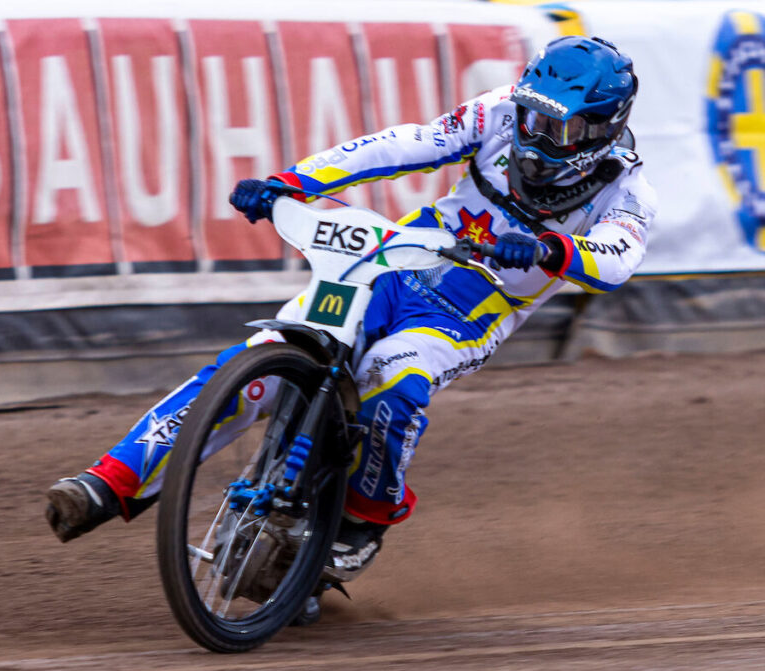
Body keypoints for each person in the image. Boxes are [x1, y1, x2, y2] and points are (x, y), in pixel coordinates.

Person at [45, 36, 656, 582]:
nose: (536, 138)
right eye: (532, 118)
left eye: (562, 131)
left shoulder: (628, 191)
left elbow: (615, 258)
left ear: (604, 130)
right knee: (260, 360)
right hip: (395, 260)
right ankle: (110, 482)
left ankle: (363, 519)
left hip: (474, 307)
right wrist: (294, 181)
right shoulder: (497, 111)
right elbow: (409, 144)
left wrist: (551, 248)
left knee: (392, 381)